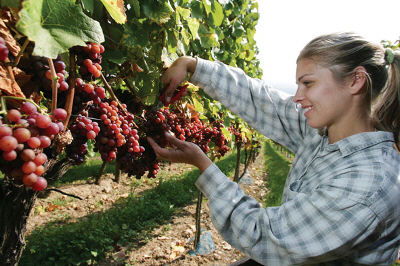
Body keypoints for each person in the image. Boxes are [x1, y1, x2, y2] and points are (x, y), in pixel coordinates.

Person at [147, 32, 400, 265]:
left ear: (356, 80)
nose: (297, 96)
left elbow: (267, 237)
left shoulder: (370, 184)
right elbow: (263, 101)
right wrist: (194, 66)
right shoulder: (324, 132)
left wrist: (205, 166)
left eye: (308, 83)